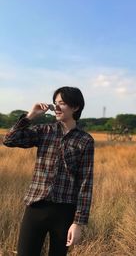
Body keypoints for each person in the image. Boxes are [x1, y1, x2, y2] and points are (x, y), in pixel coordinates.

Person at [3, 86, 94, 256]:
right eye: (55, 103)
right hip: (36, 207)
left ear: (75, 107)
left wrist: (78, 223)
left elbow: (85, 183)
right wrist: (30, 116)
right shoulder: (44, 131)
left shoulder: (85, 140)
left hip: (65, 212)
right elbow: (9, 140)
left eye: (62, 103)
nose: (56, 107)